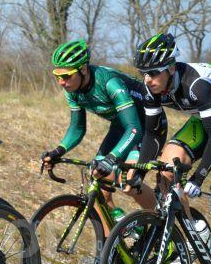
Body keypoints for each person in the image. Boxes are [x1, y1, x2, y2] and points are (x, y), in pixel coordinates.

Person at [133, 33, 211, 254]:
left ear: (171, 68)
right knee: (165, 172)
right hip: (205, 120)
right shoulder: (151, 88)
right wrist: (138, 171)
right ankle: (197, 232)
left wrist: (198, 177)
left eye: (153, 73)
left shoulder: (197, 84)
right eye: (143, 74)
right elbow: (153, 134)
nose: (147, 79)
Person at [41, 39, 160, 233]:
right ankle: (114, 246)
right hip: (122, 126)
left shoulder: (110, 82)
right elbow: (77, 128)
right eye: (58, 76)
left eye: (67, 76)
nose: (62, 82)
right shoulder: (73, 90)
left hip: (146, 127)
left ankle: (163, 227)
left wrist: (112, 158)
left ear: (83, 69)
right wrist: (57, 151)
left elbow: (134, 129)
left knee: (129, 181)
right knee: (96, 184)